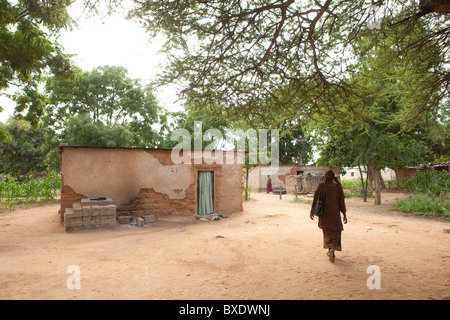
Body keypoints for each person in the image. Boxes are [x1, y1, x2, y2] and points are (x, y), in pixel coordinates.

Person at [310, 170, 347, 262]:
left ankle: (330, 250)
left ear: (325, 177)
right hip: (335, 215)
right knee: (336, 233)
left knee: (327, 233)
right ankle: (333, 249)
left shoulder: (321, 186)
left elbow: (315, 200)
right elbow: (342, 202)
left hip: (324, 215)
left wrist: (312, 211)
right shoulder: (338, 187)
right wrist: (344, 215)